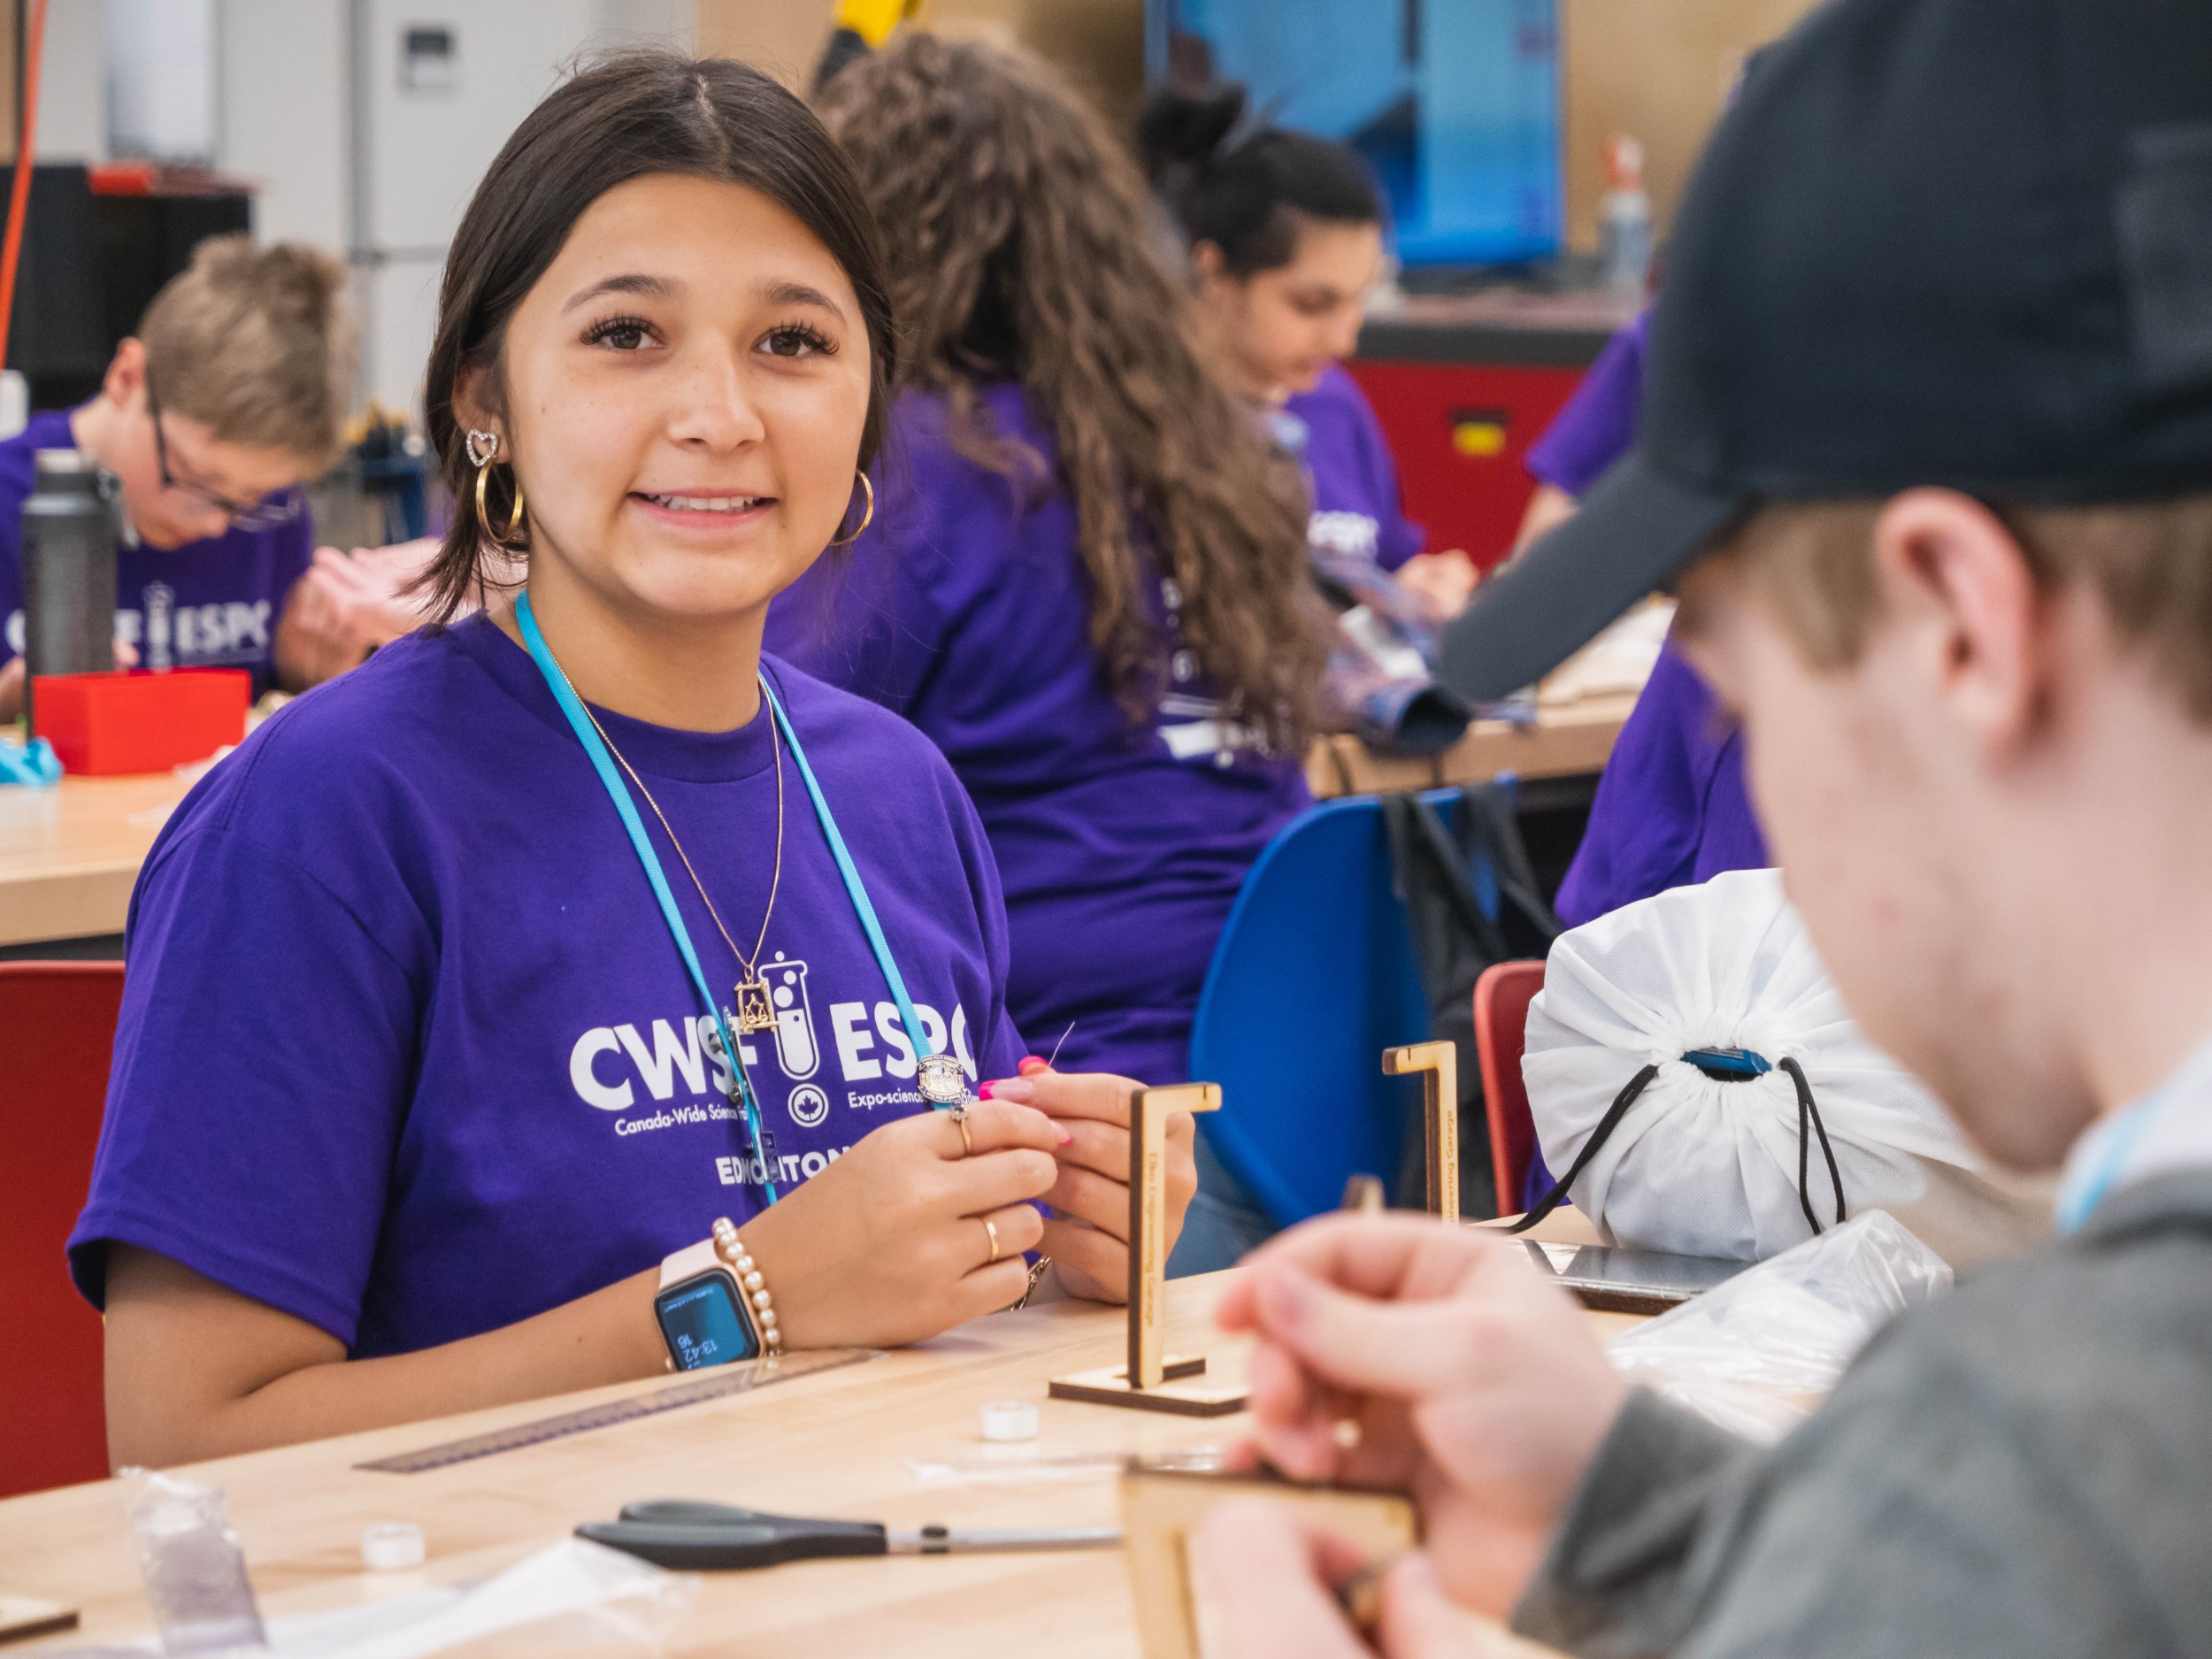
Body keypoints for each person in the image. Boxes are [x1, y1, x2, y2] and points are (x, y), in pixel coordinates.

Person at [1196, 1, 2212, 1653]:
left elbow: (2018, 1538)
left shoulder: (2043, 1456)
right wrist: (1641, 1512)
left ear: (1960, 629)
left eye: (1731, 677)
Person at [68, 51, 1195, 1469]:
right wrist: (740, 1300)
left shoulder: (900, 790)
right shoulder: (321, 817)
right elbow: (183, 1447)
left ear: (866, 400)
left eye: (794, 342)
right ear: (486, 394)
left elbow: (906, 1310)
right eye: (626, 336)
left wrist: (1055, 1239)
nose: (720, 411)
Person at [771, 37, 1319, 1105]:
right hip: (1294, 1080)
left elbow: (747, 766)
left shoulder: (914, 480)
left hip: (1059, 1107)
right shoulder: (1211, 452)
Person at [1140, 84, 1475, 618]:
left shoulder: (1337, 406)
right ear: (1215, 275)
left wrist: (1414, 587)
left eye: (1358, 300)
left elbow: (1386, 563)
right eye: (1311, 305)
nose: (1343, 341)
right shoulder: (1144, 420)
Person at [0, 235, 365, 719]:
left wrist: (309, 679)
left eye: (253, 498)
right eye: (196, 478)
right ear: (127, 378)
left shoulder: (278, 515)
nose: (217, 525)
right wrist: (10, 704)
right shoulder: (9, 498)